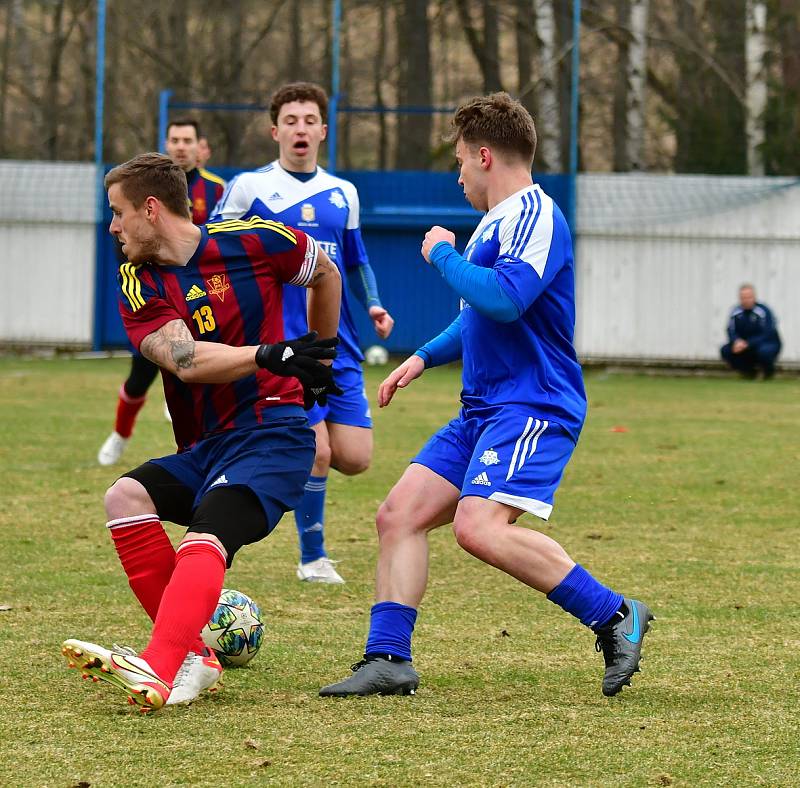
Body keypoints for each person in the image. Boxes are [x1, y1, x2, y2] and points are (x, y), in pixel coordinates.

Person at [319, 93, 654, 700]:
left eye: (459, 161)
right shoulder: (496, 226)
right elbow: (479, 316)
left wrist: (441, 252)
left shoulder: (535, 215)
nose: (458, 174)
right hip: (484, 410)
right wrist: (421, 357)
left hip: (534, 405)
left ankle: (616, 614)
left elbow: (506, 298)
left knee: (479, 526)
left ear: (483, 155)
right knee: (398, 515)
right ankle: (388, 658)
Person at [63, 152, 342, 711]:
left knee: (206, 533)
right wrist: (269, 353)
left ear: (149, 209)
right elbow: (183, 358)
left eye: (117, 213)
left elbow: (327, 272)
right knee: (125, 497)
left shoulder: (256, 240)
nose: (112, 227)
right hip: (207, 446)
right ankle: (197, 657)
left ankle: (159, 668)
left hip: (273, 434)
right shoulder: (138, 281)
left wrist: (319, 360)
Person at [213, 82, 395, 585]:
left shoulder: (344, 192)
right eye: (290, 120)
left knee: (353, 458)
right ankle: (312, 558)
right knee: (318, 450)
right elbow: (215, 255)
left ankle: (281, 464)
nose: (300, 128)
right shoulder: (249, 189)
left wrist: (375, 306)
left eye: (308, 119)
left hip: (342, 342)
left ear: (322, 130)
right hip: (286, 345)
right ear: (275, 131)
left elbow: (355, 262)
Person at [97, 119, 226, 466]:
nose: (181, 146)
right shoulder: (137, 190)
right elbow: (122, 238)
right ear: (166, 145)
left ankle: (205, 440)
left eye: (188, 140)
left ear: (202, 148)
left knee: (200, 360)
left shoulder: (218, 190)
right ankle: (121, 434)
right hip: (159, 293)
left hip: (201, 291)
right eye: (175, 140)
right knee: (141, 374)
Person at [720, 284, 781, 379]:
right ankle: (749, 373)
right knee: (726, 350)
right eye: (743, 298)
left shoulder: (763, 311)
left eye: (749, 297)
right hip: (744, 345)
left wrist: (748, 343)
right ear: (740, 298)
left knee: (764, 352)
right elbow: (730, 330)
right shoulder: (735, 312)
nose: (746, 300)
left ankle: (768, 373)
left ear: (754, 297)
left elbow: (768, 332)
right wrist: (736, 341)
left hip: (765, 344)